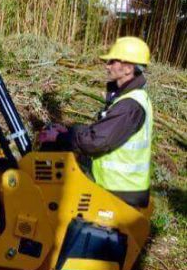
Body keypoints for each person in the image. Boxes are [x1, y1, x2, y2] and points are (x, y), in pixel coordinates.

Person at [38, 36, 154, 207]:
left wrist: (58, 137)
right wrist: (67, 131)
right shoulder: (128, 98)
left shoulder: (129, 105)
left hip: (119, 190)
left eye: (112, 61)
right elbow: (101, 131)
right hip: (117, 184)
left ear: (128, 68)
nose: (107, 66)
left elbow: (95, 142)